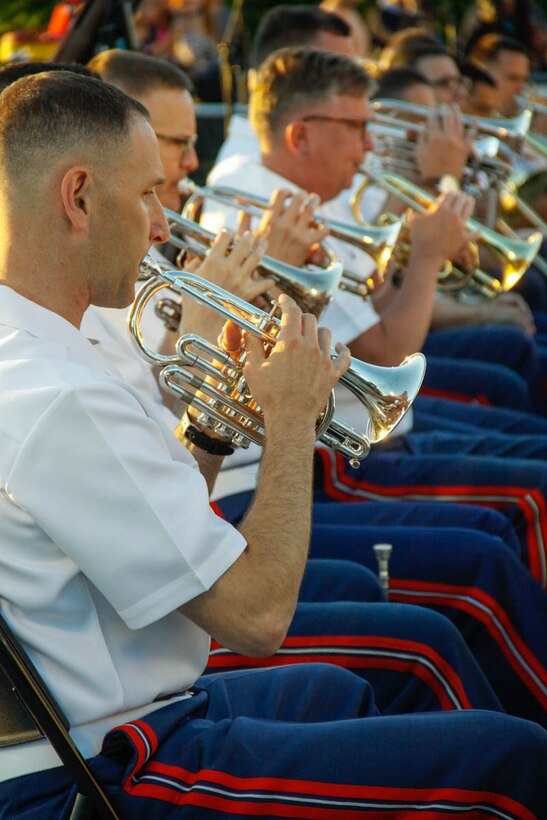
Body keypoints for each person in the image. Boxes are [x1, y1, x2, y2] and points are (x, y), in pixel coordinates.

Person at [2, 70, 545, 818]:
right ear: (79, 197)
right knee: (505, 757)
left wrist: (215, 423)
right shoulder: (55, 391)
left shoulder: (35, 353)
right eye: (147, 195)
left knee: (343, 688)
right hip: (105, 768)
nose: (165, 224)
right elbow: (258, 620)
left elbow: (147, 518)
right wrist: (289, 422)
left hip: (129, 713)